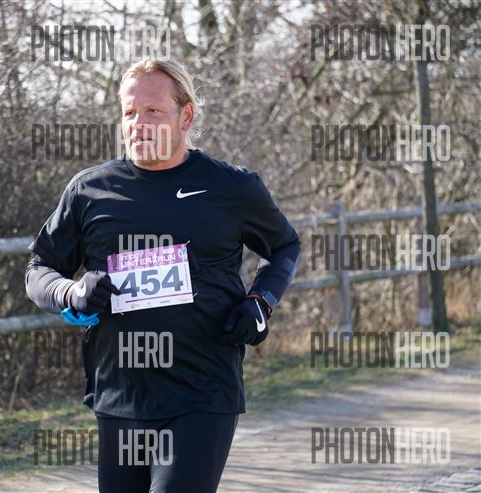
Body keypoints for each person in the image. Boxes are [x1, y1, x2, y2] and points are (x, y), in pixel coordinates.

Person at [25, 58, 301, 493]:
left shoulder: (231, 188)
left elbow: (284, 246)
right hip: (120, 394)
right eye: (130, 112)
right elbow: (39, 270)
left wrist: (260, 302)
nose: (138, 124)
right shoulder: (90, 190)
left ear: (185, 116)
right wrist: (71, 292)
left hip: (202, 390)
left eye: (153, 111)